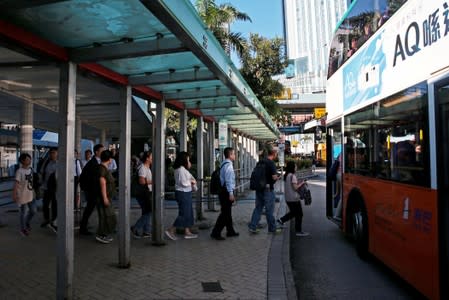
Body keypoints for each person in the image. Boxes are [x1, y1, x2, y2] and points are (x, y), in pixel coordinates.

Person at [165, 151, 198, 240]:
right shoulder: (181, 170)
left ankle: (187, 231)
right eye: (188, 159)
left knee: (188, 212)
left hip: (185, 193)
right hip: (183, 193)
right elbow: (184, 183)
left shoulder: (181, 169)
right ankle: (171, 230)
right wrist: (192, 182)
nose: (189, 161)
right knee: (184, 213)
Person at [248, 147, 282, 234]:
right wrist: (278, 177)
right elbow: (274, 177)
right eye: (276, 153)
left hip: (259, 188)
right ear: (274, 154)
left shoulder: (261, 161)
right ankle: (272, 228)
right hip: (268, 189)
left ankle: (253, 226)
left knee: (258, 208)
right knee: (269, 209)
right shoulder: (271, 163)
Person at [210, 147, 239, 240]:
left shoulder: (223, 163)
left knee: (227, 212)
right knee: (225, 214)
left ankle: (230, 231)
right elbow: (229, 181)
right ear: (230, 155)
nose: (235, 155)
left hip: (222, 191)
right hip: (226, 192)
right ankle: (216, 232)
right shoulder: (229, 166)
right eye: (234, 154)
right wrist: (231, 193)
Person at [276, 160, 309, 236]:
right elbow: (295, 188)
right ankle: (298, 231)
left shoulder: (287, 175)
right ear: (292, 167)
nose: (296, 167)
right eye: (295, 166)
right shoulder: (292, 176)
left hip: (288, 198)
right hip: (294, 199)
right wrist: (302, 183)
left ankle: (280, 221)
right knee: (299, 214)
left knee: (293, 213)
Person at [79, 143, 104, 235]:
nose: (104, 152)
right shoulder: (93, 163)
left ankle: (84, 227)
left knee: (90, 209)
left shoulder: (96, 161)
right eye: (102, 151)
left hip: (93, 189)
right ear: (97, 152)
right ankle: (83, 228)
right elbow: (91, 177)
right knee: (90, 208)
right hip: (92, 190)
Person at [95, 150, 117, 244]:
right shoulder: (102, 169)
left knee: (106, 215)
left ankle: (103, 234)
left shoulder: (103, 168)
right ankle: (102, 235)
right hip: (104, 197)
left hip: (106, 196)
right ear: (110, 159)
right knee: (106, 216)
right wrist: (105, 198)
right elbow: (102, 183)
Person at [12, 153, 37, 236]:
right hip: (22, 195)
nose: (29, 161)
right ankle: (23, 229)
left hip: (31, 194)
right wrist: (14, 194)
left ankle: (27, 222)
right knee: (24, 213)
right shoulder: (19, 171)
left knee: (33, 211)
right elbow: (16, 184)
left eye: (30, 159)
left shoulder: (31, 169)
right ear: (22, 161)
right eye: (27, 159)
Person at [131, 151, 153, 239]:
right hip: (143, 193)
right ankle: (136, 227)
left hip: (145, 192)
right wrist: (153, 181)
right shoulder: (143, 168)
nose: (152, 158)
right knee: (148, 211)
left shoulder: (146, 167)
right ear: (147, 158)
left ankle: (146, 231)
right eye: (151, 156)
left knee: (147, 211)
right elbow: (142, 181)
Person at [40, 147, 58, 233]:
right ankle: (46, 219)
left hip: (55, 188)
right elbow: (42, 172)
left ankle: (54, 221)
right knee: (45, 204)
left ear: (57, 153)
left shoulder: (60, 164)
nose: (52, 154)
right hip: (46, 187)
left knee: (55, 205)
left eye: (54, 153)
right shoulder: (47, 162)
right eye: (51, 153)